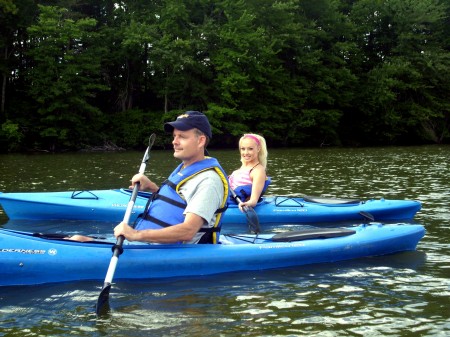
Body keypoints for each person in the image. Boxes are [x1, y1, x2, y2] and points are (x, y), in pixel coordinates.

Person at [70, 111, 229, 244]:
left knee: (78, 240)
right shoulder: (186, 167)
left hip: (175, 251)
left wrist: (136, 235)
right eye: (174, 136)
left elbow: (188, 231)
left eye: (182, 136)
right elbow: (179, 202)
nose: (174, 142)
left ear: (201, 140)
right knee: (75, 238)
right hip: (151, 245)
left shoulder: (209, 181)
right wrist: (152, 187)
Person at [228, 133, 270, 211]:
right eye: (243, 149)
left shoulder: (258, 171)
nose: (246, 152)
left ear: (258, 149)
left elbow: (253, 200)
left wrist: (247, 204)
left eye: (250, 149)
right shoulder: (243, 167)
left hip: (234, 205)